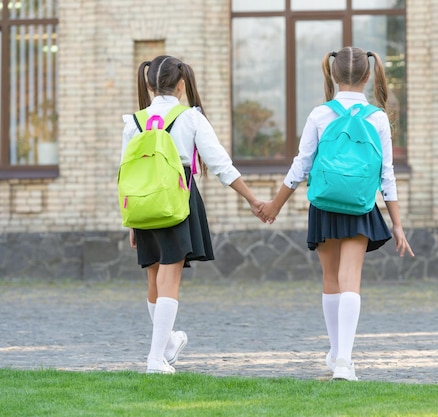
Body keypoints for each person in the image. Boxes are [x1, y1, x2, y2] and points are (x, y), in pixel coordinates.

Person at [259, 46, 415, 381]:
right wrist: (397, 225)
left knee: (331, 280)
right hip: (360, 204)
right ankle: (343, 360)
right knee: (350, 280)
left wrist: (274, 204)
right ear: (369, 75)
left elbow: (300, 166)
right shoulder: (377, 119)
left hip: (324, 203)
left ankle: (335, 355)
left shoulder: (320, 114)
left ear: (332, 74)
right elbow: (387, 174)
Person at [121, 55, 264, 374]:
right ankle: (155, 359)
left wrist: (130, 219)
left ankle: (167, 344)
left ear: (148, 84)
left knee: (153, 277)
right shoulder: (190, 118)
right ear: (182, 84)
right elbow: (220, 165)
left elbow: (125, 173)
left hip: (143, 202)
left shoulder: (133, 121)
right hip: (178, 198)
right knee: (169, 277)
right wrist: (253, 200)